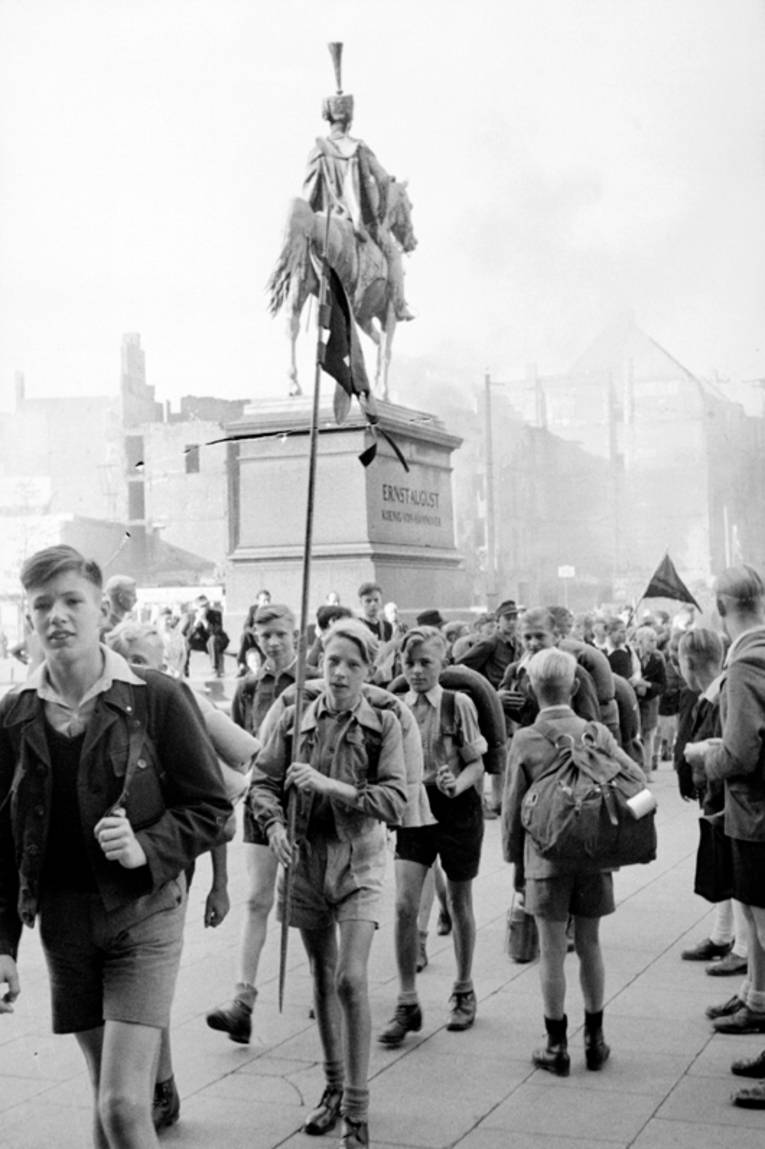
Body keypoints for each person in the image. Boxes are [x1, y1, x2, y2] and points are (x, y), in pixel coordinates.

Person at [0, 545, 231, 1149]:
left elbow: (212, 807)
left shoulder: (155, 696)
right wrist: (2, 943)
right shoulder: (14, 715)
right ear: (29, 618)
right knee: (107, 1099)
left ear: (102, 610)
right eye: (43, 604)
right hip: (66, 925)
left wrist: (146, 846)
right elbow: (2, 840)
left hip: (143, 914)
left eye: (73, 601)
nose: (58, 616)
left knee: (126, 1105)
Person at [249, 618, 408, 1149]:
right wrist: (272, 826)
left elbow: (394, 801)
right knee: (320, 975)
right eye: (332, 661)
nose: (339, 673)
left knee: (351, 979)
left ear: (369, 670)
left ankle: (358, 1108)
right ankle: (333, 1088)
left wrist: (329, 785)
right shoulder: (294, 719)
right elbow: (262, 783)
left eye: (353, 665)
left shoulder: (382, 725)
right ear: (319, 660)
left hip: (358, 860)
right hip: (303, 860)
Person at [105, 620, 258, 1130]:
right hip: (116, 861)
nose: (152, 672)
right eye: (140, 661)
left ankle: (159, 1087)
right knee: (142, 985)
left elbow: (213, 807)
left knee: (147, 979)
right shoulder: (113, 708)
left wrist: (221, 883)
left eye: (157, 661)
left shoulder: (175, 705)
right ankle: (158, 1085)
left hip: (168, 862)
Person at [502, 648, 639, 1075]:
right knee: (591, 945)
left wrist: (515, 865)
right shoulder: (597, 732)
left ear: (529, 688)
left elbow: (512, 812)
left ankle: (556, 1045)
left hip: (544, 861)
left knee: (551, 951)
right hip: (593, 856)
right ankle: (596, 1040)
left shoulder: (524, 740)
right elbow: (635, 781)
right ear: (576, 687)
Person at [378, 626, 486, 1048]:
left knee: (459, 902)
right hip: (413, 813)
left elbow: (478, 764)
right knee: (405, 905)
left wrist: (457, 783)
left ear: (442, 664)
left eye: (426, 663)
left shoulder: (459, 704)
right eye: (410, 663)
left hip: (457, 810)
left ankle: (463, 988)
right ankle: (407, 1001)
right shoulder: (395, 711)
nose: (418, 671)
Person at [684, 566, 765, 1109]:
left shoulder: (744, 662)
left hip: (756, 817)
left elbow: (739, 754)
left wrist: (701, 754)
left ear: (719, 606)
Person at [206, 603, 298, 1044]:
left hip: (308, 806)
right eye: (265, 636)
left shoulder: (315, 678)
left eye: (280, 633)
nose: (274, 642)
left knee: (317, 903)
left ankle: (329, 986)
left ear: (294, 632)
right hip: (262, 804)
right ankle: (242, 1001)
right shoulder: (247, 687)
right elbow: (236, 745)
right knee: (259, 899)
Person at [303, 81, 413, 322]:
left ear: (329, 119)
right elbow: (383, 180)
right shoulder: (359, 148)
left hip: (326, 219)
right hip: (358, 222)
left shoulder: (317, 151)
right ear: (349, 119)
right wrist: (380, 209)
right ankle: (400, 303)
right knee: (393, 254)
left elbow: (308, 193)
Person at [675, 628, 747, 977]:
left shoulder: (719, 695)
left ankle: (743, 948)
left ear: (688, 663)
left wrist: (698, 763)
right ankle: (723, 936)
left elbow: (723, 748)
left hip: (724, 799)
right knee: (724, 868)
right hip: (718, 797)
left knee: (733, 872)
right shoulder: (712, 692)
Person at [632, 625, 666, 777]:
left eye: (655, 640)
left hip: (651, 701)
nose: (654, 644)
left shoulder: (658, 659)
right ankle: (635, 770)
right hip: (634, 701)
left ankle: (647, 770)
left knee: (649, 735)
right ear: (640, 641)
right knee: (635, 735)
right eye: (650, 640)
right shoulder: (631, 657)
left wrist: (646, 684)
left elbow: (663, 685)